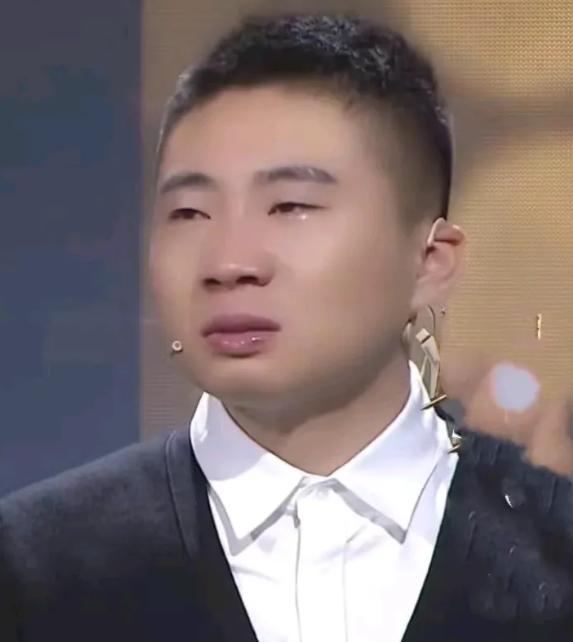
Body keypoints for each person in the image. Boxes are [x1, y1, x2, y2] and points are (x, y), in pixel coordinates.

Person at [1, 12, 572, 642]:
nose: (228, 264)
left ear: (429, 262)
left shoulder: (554, 549)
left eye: (291, 206)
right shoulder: (36, 567)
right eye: (189, 212)